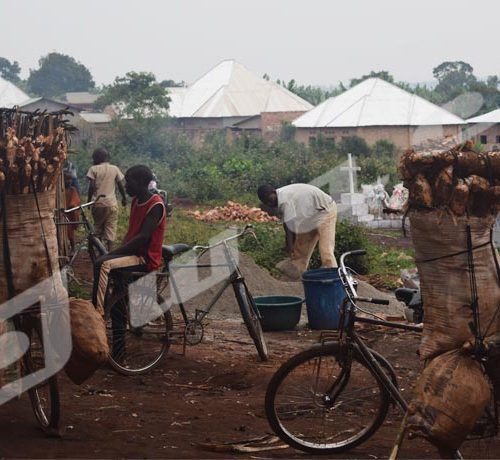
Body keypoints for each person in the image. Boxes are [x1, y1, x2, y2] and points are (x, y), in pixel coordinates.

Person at [92, 165, 167, 359]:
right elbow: (132, 235)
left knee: (103, 264)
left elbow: (142, 238)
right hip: (134, 255)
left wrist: (114, 253)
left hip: (144, 258)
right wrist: (117, 253)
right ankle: (119, 352)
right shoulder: (137, 201)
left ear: (142, 182)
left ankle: (96, 313)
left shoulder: (156, 204)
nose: (125, 186)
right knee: (119, 301)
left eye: (129, 182)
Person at [257, 183, 337, 279]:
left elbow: (290, 227)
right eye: (267, 203)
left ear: (274, 192)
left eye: (270, 200)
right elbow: (289, 226)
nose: (270, 204)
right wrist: (292, 247)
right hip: (311, 215)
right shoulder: (280, 198)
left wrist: (290, 247)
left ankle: (332, 277)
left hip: (325, 210)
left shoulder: (284, 200)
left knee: (325, 249)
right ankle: (296, 273)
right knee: (301, 247)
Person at [86, 148, 127, 251]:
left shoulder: (93, 169)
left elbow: (91, 187)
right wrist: (124, 198)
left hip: (98, 203)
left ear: (95, 159)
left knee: (98, 228)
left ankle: (99, 251)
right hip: (112, 204)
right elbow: (120, 185)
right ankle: (110, 251)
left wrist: (89, 201)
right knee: (111, 227)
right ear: (106, 157)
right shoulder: (114, 168)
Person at [64, 172, 81, 252]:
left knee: (71, 234)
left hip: (70, 214)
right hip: (62, 214)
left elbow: (75, 202)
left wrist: (72, 207)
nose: (69, 181)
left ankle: (73, 249)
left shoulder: (72, 190)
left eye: (70, 179)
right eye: (67, 179)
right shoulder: (61, 191)